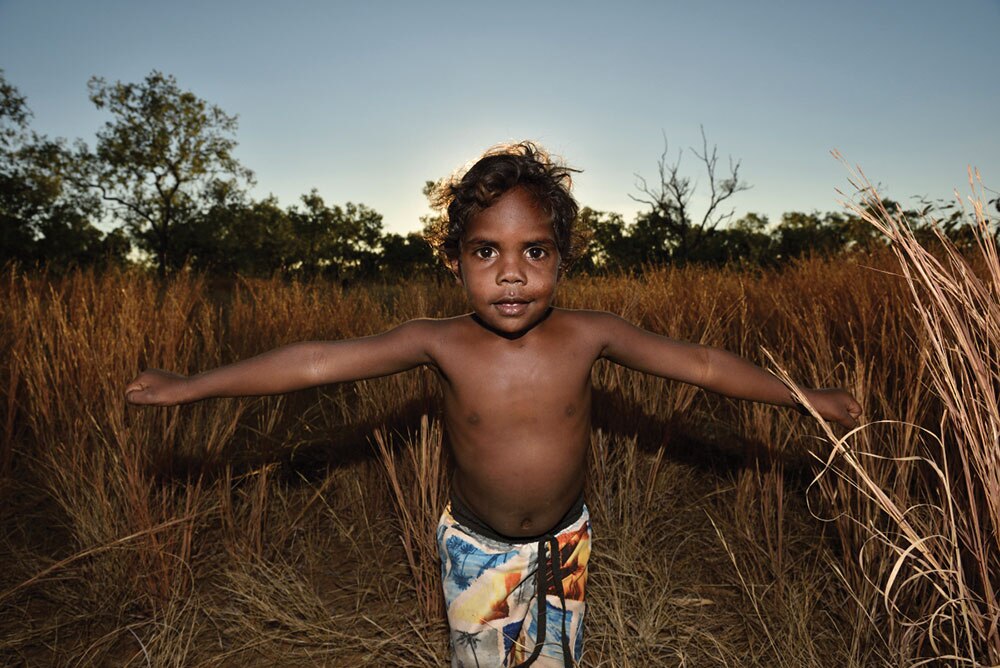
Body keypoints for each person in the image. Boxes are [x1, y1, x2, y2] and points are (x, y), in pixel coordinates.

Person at [126, 141, 862, 667]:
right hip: (475, 551)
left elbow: (701, 365)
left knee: (553, 660)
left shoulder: (590, 335)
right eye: (487, 253)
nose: (511, 275)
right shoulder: (438, 342)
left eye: (535, 252)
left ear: (563, 260)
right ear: (454, 260)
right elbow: (317, 362)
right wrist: (191, 386)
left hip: (564, 546)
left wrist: (809, 399)